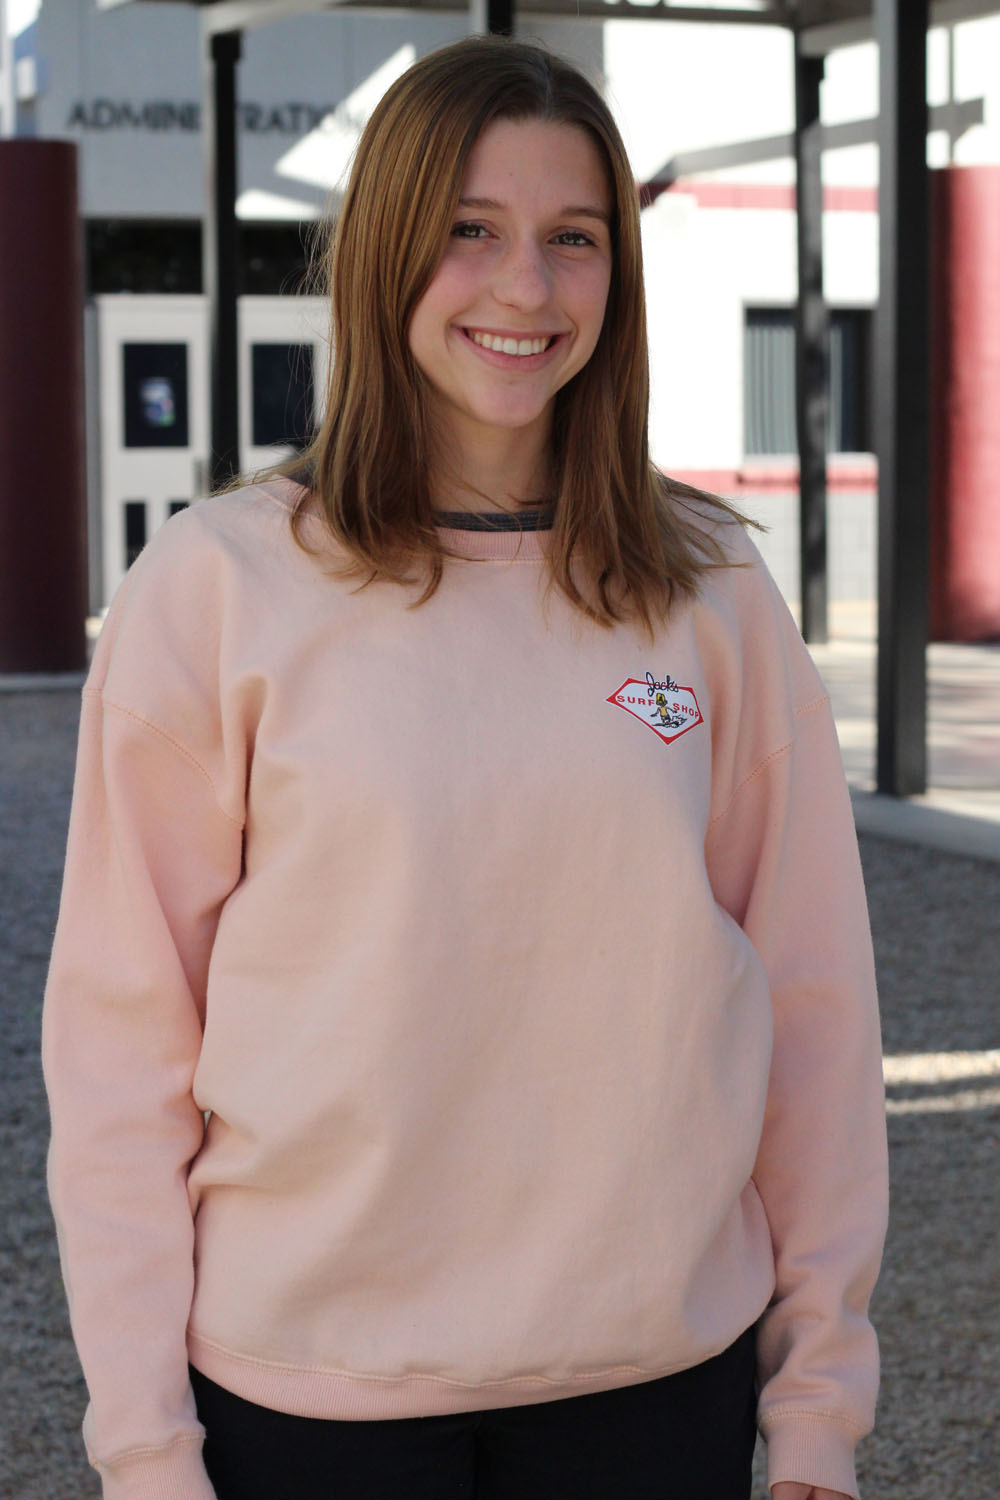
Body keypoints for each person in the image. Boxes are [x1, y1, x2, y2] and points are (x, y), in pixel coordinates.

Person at [42, 34, 888, 1500]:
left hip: (653, 1388)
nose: (525, 288)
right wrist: (142, 1443)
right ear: (384, 254)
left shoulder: (711, 593)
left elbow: (815, 1012)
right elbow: (123, 1047)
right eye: (470, 233)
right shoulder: (220, 584)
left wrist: (818, 1402)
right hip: (306, 1406)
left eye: (574, 240)